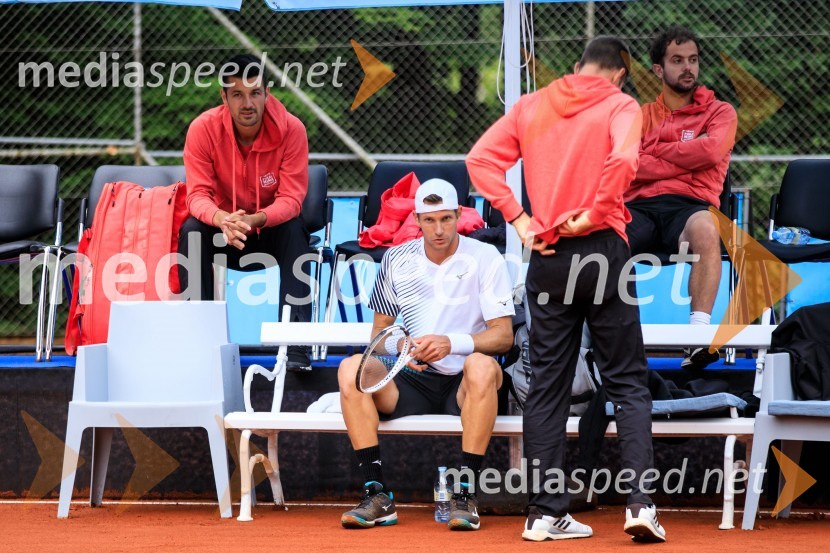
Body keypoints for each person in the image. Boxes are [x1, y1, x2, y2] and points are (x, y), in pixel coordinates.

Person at [468, 36, 666, 542]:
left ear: (577, 68)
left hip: (548, 254)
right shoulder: (622, 105)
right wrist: (595, 213)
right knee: (626, 381)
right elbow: (623, 163)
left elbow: (479, 161)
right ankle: (640, 505)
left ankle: (543, 512)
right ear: (621, 72)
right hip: (601, 248)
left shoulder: (532, 105)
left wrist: (517, 217)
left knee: (547, 386)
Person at [337, 178, 515, 531]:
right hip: (410, 381)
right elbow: (379, 335)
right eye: (430, 220)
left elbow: (503, 337)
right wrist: (402, 352)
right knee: (350, 368)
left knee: (481, 365)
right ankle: (377, 496)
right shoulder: (395, 259)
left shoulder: (485, 257)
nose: (438, 229)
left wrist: (453, 343)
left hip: (465, 382)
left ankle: (465, 495)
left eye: (446, 219)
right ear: (416, 219)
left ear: (459, 215)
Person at [178, 54, 313, 371]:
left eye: (254, 92)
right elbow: (196, 195)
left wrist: (255, 220)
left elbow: (292, 199)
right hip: (223, 231)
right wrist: (222, 219)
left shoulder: (292, 130)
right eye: (237, 94)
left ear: (268, 92)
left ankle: (295, 347)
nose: (247, 103)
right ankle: (199, 344)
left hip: (268, 229)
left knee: (296, 229)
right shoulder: (203, 129)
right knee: (192, 232)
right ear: (223, 97)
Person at [625, 26, 738, 371]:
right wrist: (685, 155)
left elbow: (710, 152)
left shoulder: (721, 113)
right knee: (604, 234)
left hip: (690, 208)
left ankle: (697, 339)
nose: (687, 67)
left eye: (693, 59)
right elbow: (625, 165)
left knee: (706, 228)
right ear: (659, 69)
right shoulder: (638, 116)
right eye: (677, 60)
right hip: (638, 207)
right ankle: (617, 339)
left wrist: (655, 152)